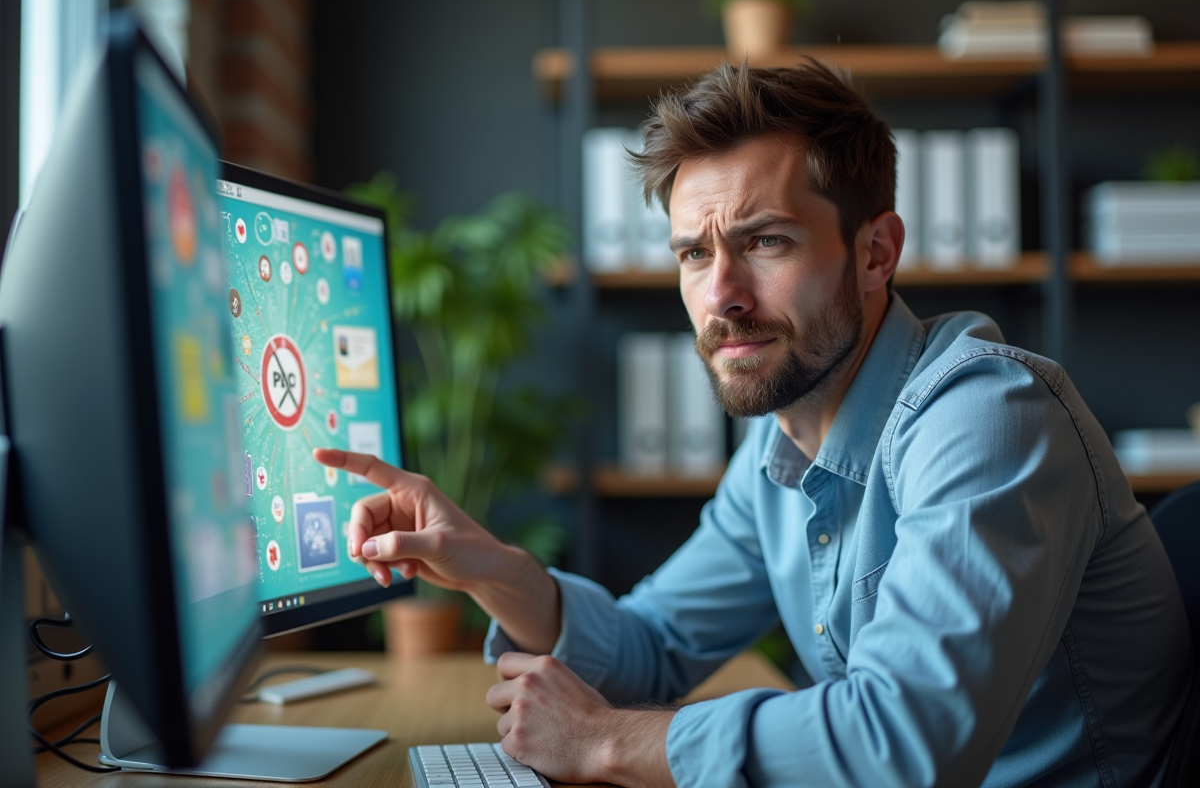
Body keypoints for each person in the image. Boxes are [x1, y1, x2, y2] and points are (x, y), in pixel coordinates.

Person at [316, 60, 1192, 788]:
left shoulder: (989, 419)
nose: (722, 296)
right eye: (695, 254)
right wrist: (493, 569)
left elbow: (905, 746)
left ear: (876, 251)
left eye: (766, 242)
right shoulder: (782, 447)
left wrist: (606, 741)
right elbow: (654, 649)